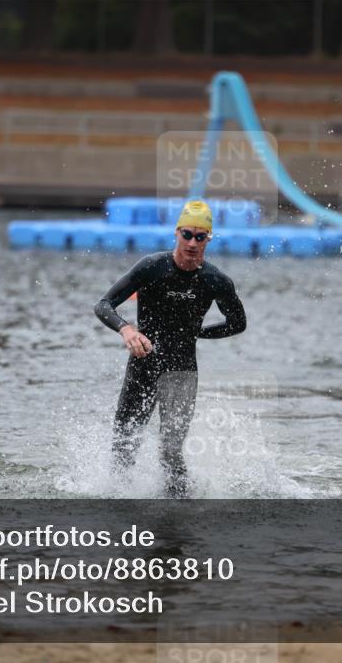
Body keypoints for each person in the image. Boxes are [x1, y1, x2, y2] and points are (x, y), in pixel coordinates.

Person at [94, 200, 246, 498]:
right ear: (176, 233)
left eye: (200, 237)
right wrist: (126, 329)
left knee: (170, 453)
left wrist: (198, 333)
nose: (192, 242)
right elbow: (103, 305)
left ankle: (177, 520)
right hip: (143, 365)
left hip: (182, 372)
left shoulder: (215, 280)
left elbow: (237, 323)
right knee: (124, 444)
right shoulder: (152, 267)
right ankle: (119, 513)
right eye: (187, 234)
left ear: (209, 240)